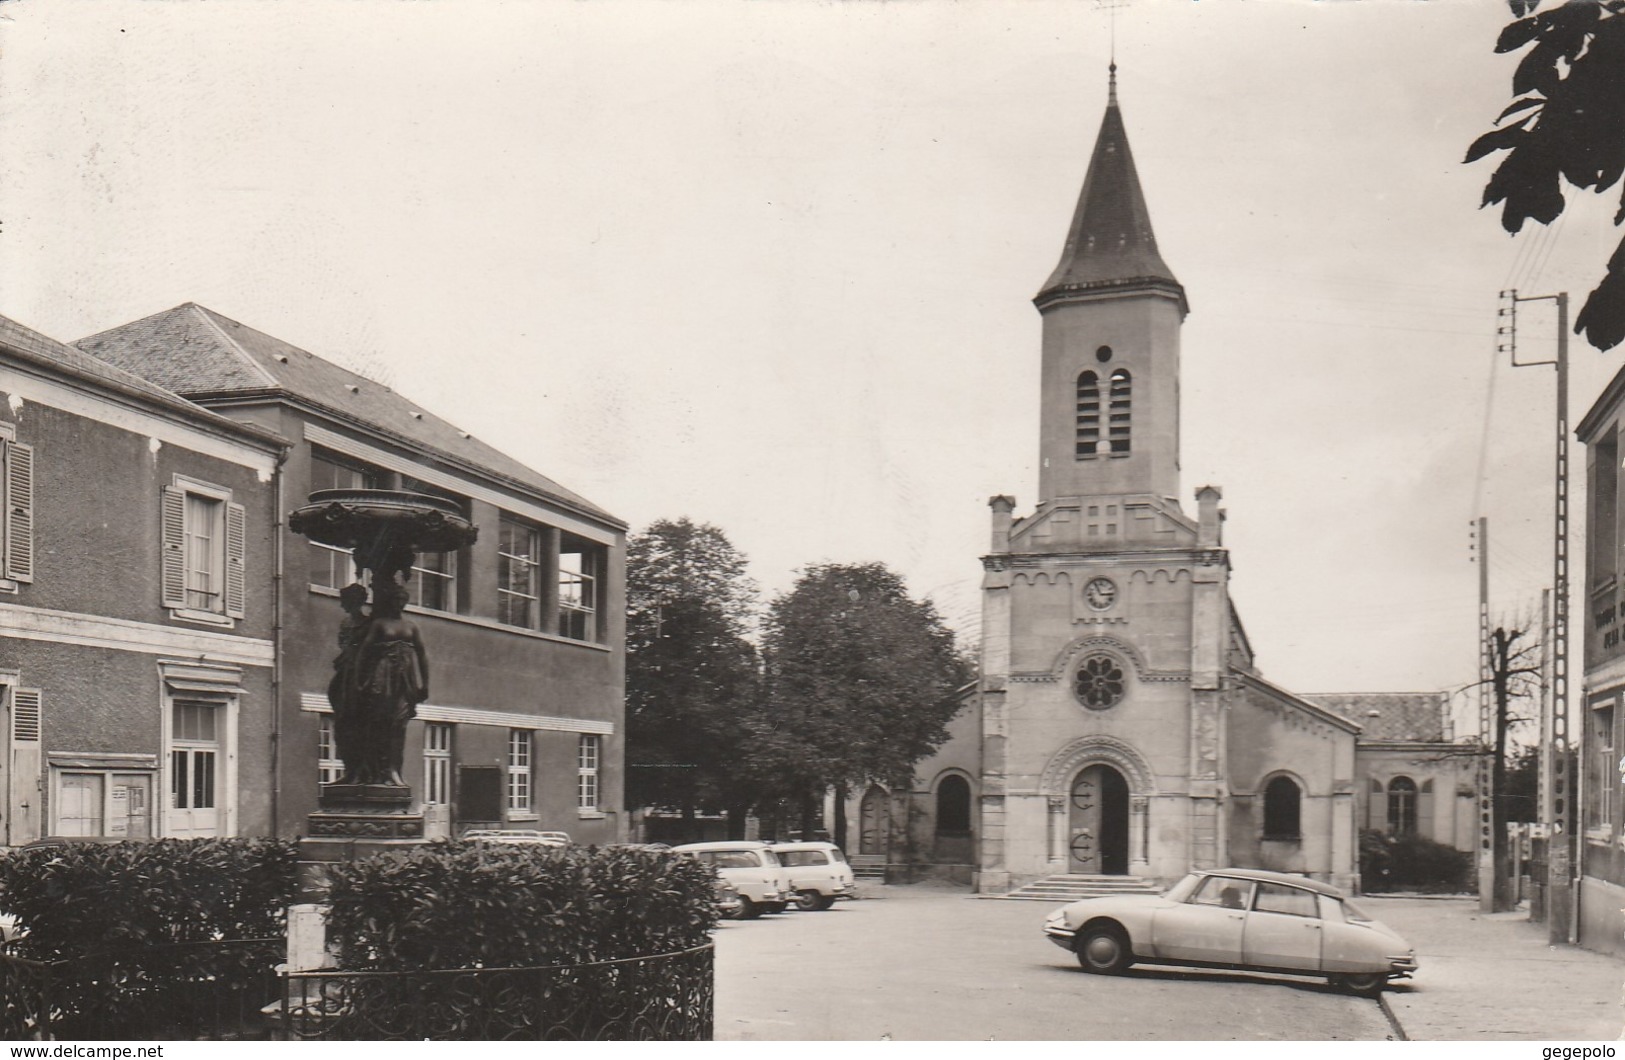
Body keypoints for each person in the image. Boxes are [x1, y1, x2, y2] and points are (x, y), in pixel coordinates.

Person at [352, 579, 430, 786]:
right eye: (395, 599)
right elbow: (363, 653)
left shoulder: (411, 626)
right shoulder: (380, 624)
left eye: (402, 600)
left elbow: (422, 656)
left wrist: (425, 684)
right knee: (378, 722)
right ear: (389, 601)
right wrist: (359, 680)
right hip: (383, 675)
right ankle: (375, 770)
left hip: (404, 679)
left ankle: (394, 770)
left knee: (399, 724)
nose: (399, 603)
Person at [326, 582, 370, 785]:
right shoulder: (345, 623)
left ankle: (361, 772)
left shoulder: (369, 624)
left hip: (359, 676)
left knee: (359, 727)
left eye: (345, 600)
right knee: (342, 727)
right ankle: (350, 770)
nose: (342, 604)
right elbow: (343, 645)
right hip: (345, 674)